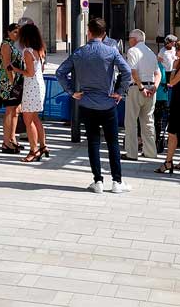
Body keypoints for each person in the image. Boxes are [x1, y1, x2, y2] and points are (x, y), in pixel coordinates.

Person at [56, 18, 133, 194]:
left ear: (88, 32)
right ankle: (117, 181)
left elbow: (60, 72)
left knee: (93, 142)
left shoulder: (79, 52)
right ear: (104, 34)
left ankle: (97, 181)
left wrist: (71, 91)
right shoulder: (111, 51)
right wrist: (120, 91)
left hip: (87, 103)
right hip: (107, 103)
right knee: (113, 143)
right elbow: (127, 72)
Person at [155, 39, 180, 175]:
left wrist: (173, 67)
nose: (176, 51)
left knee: (172, 133)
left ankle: (168, 162)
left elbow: (171, 82)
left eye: (178, 49)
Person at [8, 23, 48, 163]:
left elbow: (29, 73)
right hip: (39, 85)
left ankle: (33, 150)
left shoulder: (27, 51)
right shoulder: (41, 49)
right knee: (36, 118)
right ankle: (43, 146)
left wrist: (15, 69)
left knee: (28, 120)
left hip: (31, 86)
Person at [123, 29, 161, 161]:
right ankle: (150, 151)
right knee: (148, 121)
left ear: (135, 39)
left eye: (129, 38)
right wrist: (154, 87)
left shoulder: (133, 51)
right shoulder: (151, 53)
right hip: (151, 88)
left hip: (136, 88)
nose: (129, 40)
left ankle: (131, 153)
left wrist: (141, 88)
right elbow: (158, 73)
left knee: (131, 122)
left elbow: (133, 72)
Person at [0, 23, 23, 153]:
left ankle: (12, 138)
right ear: (8, 32)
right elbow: (8, 65)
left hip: (15, 82)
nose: (17, 35)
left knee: (15, 111)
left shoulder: (14, 45)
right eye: (14, 32)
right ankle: (6, 141)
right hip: (8, 83)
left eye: (18, 32)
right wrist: (13, 82)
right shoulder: (6, 45)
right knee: (9, 111)